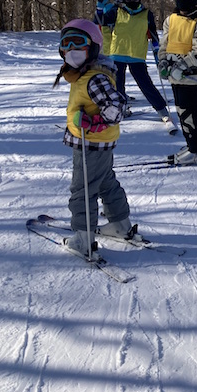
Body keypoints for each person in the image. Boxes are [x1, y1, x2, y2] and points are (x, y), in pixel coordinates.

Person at [53, 19, 135, 258]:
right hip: (97, 143)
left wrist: (94, 123)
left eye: (78, 43)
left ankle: (82, 237)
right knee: (105, 182)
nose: (71, 50)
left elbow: (117, 107)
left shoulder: (94, 77)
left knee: (82, 189)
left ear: (93, 47)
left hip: (90, 143)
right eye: (66, 44)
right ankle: (120, 224)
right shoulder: (85, 73)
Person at [158, 0, 197, 165]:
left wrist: (181, 66)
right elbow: (164, 45)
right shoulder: (170, 20)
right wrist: (163, 63)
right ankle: (193, 145)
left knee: (190, 112)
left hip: (190, 75)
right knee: (182, 112)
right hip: (174, 75)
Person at [107, 0, 174, 132]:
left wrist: (159, 56)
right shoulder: (116, 11)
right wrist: (101, 9)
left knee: (145, 84)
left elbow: (154, 37)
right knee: (118, 84)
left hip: (137, 55)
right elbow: (99, 24)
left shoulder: (146, 13)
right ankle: (121, 108)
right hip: (117, 53)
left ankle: (161, 109)